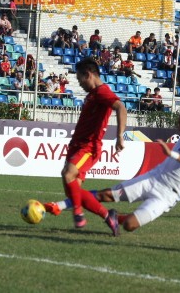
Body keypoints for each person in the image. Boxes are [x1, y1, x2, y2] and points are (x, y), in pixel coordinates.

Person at [43, 98, 180, 233]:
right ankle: (59, 205)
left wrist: (170, 153)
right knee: (105, 195)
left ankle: (115, 216)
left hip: (168, 196)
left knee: (129, 225)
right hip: (152, 179)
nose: (178, 128)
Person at [59, 58, 127, 235]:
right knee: (72, 192)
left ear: (88, 74)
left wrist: (119, 136)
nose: (80, 84)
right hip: (77, 145)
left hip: (89, 147)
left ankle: (78, 214)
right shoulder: (92, 95)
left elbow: (121, 107)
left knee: (68, 174)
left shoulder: (102, 92)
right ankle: (108, 216)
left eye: (80, 79)